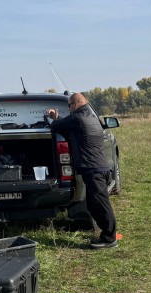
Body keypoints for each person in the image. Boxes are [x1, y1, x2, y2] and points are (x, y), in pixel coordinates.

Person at [46, 93, 118, 249]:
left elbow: (55, 126)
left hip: (93, 169)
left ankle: (110, 238)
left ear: (76, 104)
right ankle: (107, 235)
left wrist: (51, 117)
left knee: (100, 203)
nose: (69, 109)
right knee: (94, 203)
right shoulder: (90, 116)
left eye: (69, 106)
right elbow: (67, 129)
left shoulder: (77, 118)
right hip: (97, 167)